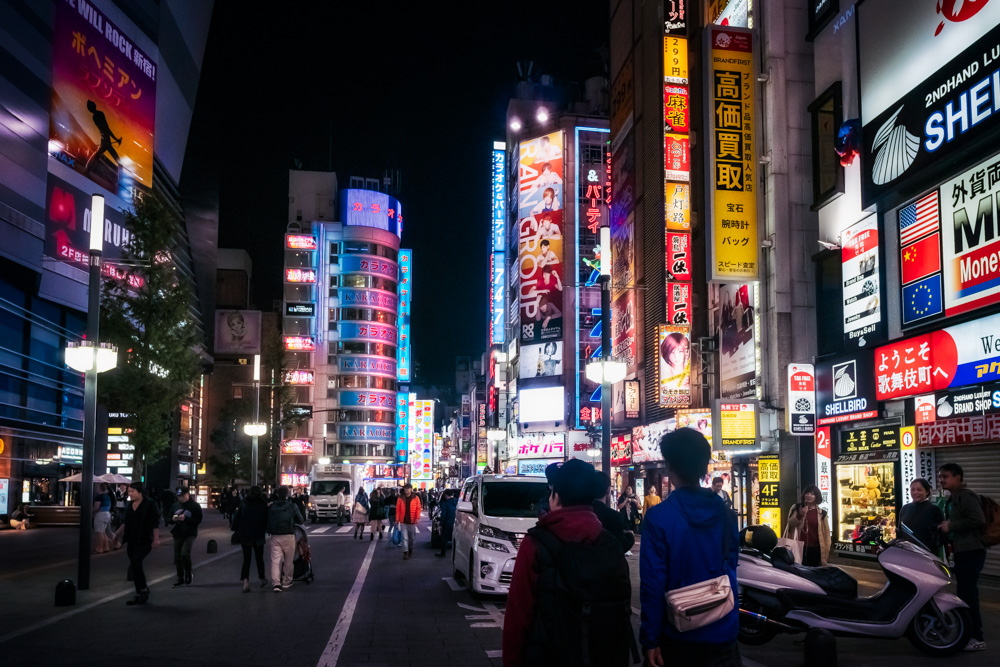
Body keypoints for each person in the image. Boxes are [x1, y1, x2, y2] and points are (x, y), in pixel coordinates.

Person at [503, 458, 633, 666]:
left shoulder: (535, 544)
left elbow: (518, 617)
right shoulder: (609, 542)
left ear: (556, 496)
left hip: (549, 656)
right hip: (601, 656)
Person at [641, 428, 740, 666]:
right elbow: (732, 564)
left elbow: (653, 582)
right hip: (723, 627)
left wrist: (650, 639)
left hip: (677, 633)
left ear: (669, 468)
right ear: (705, 468)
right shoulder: (726, 514)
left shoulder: (658, 517)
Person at [938, 463, 987, 652]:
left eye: (946, 476)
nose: (942, 480)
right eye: (940, 476)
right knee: (965, 593)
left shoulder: (966, 496)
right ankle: (969, 633)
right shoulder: (955, 497)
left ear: (958, 478)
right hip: (963, 551)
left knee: (968, 594)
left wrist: (951, 526)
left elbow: (978, 519)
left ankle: (977, 637)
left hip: (971, 551)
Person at [123, 482, 160, 606]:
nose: (130, 494)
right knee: (134, 566)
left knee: (136, 563)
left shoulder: (149, 504)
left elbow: (155, 522)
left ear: (140, 492)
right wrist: (116, 537)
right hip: (131, 540)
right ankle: (140, 592)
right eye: (129, 492)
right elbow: (125, 522)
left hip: (144, 539)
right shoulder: (129, 504)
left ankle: (143, 590)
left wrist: (156, 539)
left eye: (132, 491)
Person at [232, 485, 269, 592]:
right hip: (258, 534)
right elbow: (266, 520)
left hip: (245, 534)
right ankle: (262, 578)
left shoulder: (244, 503)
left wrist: (235, 529)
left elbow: (237, 518)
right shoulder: (263, 504)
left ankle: (245, 582)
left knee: (246, 559)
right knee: (259, 558)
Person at [267, 485, 304, 592]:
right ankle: (287, 581)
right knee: (288, 560)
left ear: (277, 494)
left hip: (275, 535)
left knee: (275, 560)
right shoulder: (292, 506)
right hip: (289, 535)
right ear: (287, 494)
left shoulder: (271, 507)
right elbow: (300, 519)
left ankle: (276, 583)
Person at [785, 485, 831, 567]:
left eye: (812, 494)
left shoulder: (822, 513)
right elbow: (790, 524)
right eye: (807, 493)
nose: (809, 495)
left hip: (815, 549)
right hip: (798, 547)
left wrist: (826, 551)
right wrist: (800, 514)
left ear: (816, 497)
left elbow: (826, 533)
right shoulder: (796, 508)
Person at [593, 472, 635, 555]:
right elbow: (620, 546)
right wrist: (630, 537)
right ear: (608, 490)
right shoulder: (614, 516)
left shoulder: (583, 512)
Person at [169, 488, 203, 587]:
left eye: (182, 496)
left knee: (185, 553)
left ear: (187, 495)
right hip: (178, 533)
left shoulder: (195, 506)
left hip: (190, 533)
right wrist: (173, 519)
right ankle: (180, 577)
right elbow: (168, 517)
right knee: (177, 555)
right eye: (178, 496)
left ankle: (188, 573)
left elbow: (198, 520)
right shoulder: (175, 505)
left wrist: (186, 518)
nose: (180, 498)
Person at [899, 478, 944, 553]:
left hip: (927, 553)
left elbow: (939, 536)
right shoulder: (905, 508)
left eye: (919, 490)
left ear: (927, 492)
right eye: (912, 490)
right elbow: (900, 531)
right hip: (907, 552)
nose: (915, 492)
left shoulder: (934, 509)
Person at [83, 99, 122, 174]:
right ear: (92, 107)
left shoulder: (94, 117)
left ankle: (87, 170)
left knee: (96, 156)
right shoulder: (99, 114)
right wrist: (116, 139)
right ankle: (86, 170)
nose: (94, 102)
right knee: (119, 162)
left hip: (105, 141)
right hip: (106, 142)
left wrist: (115, 139)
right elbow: (107, 129)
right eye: (92, 103)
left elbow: (105, 129)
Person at [396, 483, 422, 560]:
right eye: (405, 489)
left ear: (411, 489)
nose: (406, 491)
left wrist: (417, 517)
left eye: (408, 489)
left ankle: (410, 549)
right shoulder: (400, 498)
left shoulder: (415, 498)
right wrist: (397, 519)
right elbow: (398, 510)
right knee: (404, 538)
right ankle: (405, 552)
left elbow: (418, 508)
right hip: (403, 521)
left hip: (412, 521)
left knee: (412, 538)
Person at [435, 489, 458, 557]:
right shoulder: (457, 502)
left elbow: (443, 514)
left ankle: (443, 552)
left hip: (447, 523)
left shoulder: (446, 503)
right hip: (457, 523)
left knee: (444, 538)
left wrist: (441, 524)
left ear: (446, 495)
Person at [92, 483, 113, 553]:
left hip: (100, 515)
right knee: (103, 532)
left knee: (99, 532)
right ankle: (106, 547)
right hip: (107, 514)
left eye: (98, 487)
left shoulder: (99, 497)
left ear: (100, 488)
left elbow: (96, 507)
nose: (96, 488)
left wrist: (92, 512)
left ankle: (99, 548)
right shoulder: (108, 497)